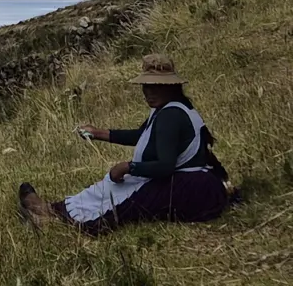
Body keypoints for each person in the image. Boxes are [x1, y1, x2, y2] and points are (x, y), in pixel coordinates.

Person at [18, 54, 230, 235]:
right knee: (111, 186)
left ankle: (57, 223)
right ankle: (51, 209)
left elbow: (165, 167)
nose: (149, 92)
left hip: (191, 189)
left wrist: (129, 167)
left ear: (171, 86)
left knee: (130, 201)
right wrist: (98, 133)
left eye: (157, 86)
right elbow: (142, 135)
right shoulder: (166, 109)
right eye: (146, 86)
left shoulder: (171, 115)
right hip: (194, 183)